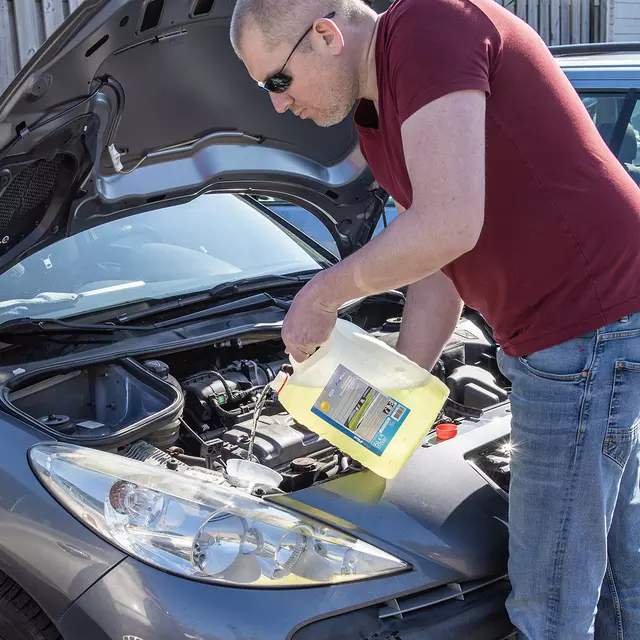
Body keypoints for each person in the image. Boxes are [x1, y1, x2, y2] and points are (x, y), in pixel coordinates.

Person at [229, 0, 640, 636]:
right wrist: (386, 402)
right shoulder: (376, 120)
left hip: (585, 329)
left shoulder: (429, 24)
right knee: (615, 574)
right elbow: (436, 274)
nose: (278, 106)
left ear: (326, 35)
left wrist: (322, 295)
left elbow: (448, 223)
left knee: (548, 606)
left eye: (276, 82)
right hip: (583, 331)